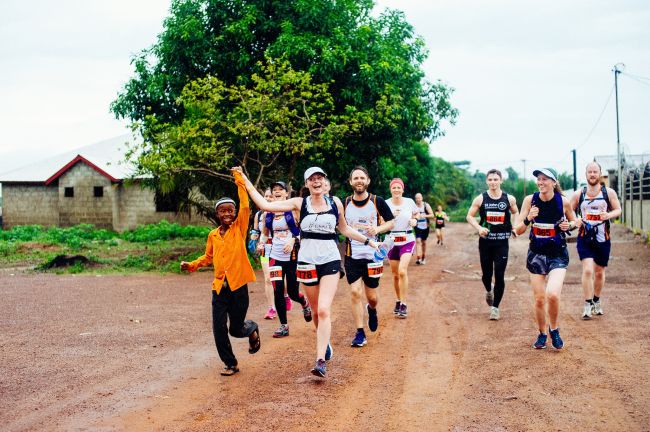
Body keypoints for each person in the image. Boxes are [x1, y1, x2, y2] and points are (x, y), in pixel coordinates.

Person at [236, 166, 379, 378]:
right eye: (312, 179)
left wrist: (369, 241)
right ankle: (325, 342)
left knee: (323, 310)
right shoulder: (298, 204)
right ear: (306, 184)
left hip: (330, 260)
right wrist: (244, 179)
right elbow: (265, 204)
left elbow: (345, 229)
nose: (316, 181)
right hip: (306, 262)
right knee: (314, 311)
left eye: (320, 177)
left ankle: (320, 360)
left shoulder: (335, 203)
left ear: (325, 181)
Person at [180, 169, 261, 376]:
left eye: (230, 211)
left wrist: (239, 179)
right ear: (217, 214)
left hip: (238, 288)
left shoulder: (239, 228)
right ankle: (230, 363)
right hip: (219, 289)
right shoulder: (213, 236)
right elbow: (208, 257)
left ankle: (251, 329)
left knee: (236, 329)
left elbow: (245, 205)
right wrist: (192, 265)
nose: (227, 214)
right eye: (223, 211)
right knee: (218, 328)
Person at [514, 168, 579, 350]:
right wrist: (528, 218)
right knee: (539, 299)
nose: (540, 182)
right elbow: (517, 230)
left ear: (553, 182)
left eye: (544, 179)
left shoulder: (563, 202)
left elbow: (575, 222)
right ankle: (542, 333)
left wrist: (569, 225)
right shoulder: (530, 200)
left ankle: (554, 329)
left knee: (552, 294)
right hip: (536, 254)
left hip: (557, 253)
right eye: (538, 179)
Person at [343, 166, 395, 347]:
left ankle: (372, 310)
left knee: (372, 297)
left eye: (362, 178)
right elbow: (339, 226)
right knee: (355, 292)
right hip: (352, 255)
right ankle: (359, 332)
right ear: (351, 182)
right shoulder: (345, 203)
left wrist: (378, 229)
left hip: (373, 255)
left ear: (368, 181)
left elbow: (391, 222)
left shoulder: (377, 201)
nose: (359, 181)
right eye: (355, 178)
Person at [570, 161, 621, 319]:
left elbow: (618, 209)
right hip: (585, 236)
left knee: (599, 272)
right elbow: (568, 210)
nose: (592, 174)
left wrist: (608, 215)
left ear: (599, 174)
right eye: (589, 172)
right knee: (587, 270)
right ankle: (587, 304)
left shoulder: (609, 193)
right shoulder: (579, 194)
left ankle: (596, 300)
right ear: (586, 175)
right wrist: (575, 221)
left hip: (602, 237)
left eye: (595, 172)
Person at [466, 169, 519, 320]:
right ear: (486, 181)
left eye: (496, 179)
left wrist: (514, 227)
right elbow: (469, 216)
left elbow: (515, 212)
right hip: (486, 242)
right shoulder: (480, 199)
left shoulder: (509, 199)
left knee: (500, 274)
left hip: (502, 241)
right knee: (486, 275)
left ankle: (495, 308)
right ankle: (489, 290)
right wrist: (479, 228)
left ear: (501, 181)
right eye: (490, 180)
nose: (493, 182)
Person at [263, 180, 313, 338]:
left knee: (292, 292)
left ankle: (304, 302)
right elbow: (265, 233)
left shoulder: (294, 210)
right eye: (274, 189)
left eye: (280, 189)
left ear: (286, 193)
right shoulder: (268, 213)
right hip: (275, 256)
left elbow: (303, 230)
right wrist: (260, 243)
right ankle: (283, 325)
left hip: (292, 257)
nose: (277, 192)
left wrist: (293, 240)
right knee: (278, 290)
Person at [386, 178, 419, 319]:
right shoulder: (386, 203)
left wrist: (415, 220)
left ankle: (404, 304)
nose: (396, 190)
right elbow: (380, 221)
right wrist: (390, 217)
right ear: (390, 189)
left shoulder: (409, 202)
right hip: (391, 241)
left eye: (399, 187)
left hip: (407, 239)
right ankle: (398, 300)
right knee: (394, 274)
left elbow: (416, 213)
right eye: (394, 187)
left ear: (402, 189)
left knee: (402, 271)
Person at [253, 188, 277, 320]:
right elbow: (256, 230)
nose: (268, 198)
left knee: (280, 281)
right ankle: (271, 308)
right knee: (268, 279)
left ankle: (285, 296)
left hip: (279, 249)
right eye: (266, 196)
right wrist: (254, 239)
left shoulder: (282, 212)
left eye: (271, 196)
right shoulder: (259, 215)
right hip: (265, 248)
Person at [413, 193, 435, 265]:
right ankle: (418, 258)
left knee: (424, 242)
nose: (418, 199)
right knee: (418, 241)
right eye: (416, 198)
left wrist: (424, 215)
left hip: (425, 226)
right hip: (417, 226)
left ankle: (423, 257)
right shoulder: (413, 206)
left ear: (422, 198)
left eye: (419, 198)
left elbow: (432, 215)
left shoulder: (426, 205)